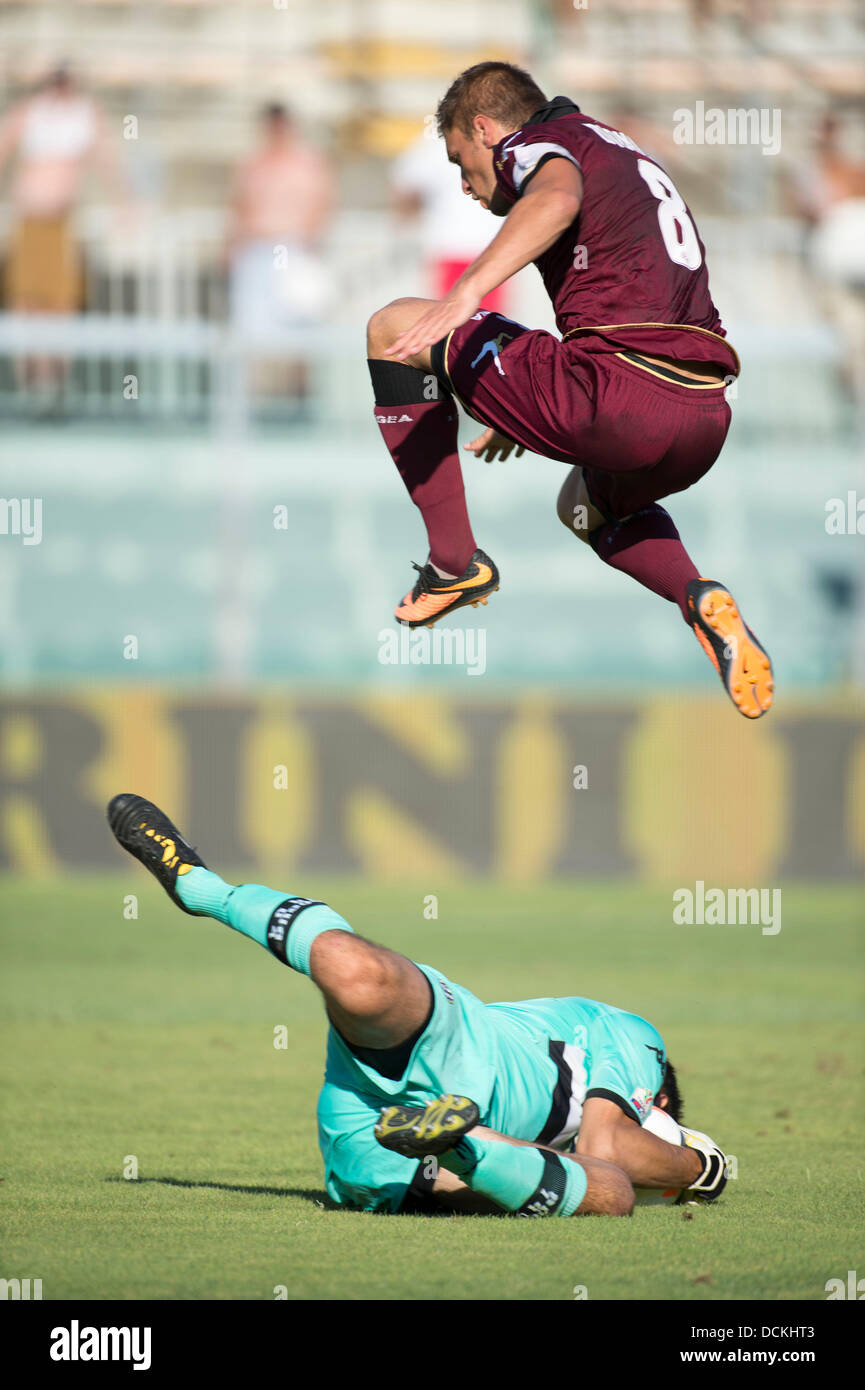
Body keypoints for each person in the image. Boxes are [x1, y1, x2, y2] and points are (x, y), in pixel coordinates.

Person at [367, 62, 774, 719]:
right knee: (584, 508)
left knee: (391, 326)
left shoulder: (532, 146)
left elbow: (553, 201)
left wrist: (463, 294)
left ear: (485, 128)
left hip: (615, 397)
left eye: (458, 160)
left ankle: (453, 562)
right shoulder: (619, 148)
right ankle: (697, 595)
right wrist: (522, 405)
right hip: (700, 418)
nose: (465, 182)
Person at [107, 792, 729, 1218]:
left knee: (611, 1198)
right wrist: (701, 1168)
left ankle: (460, 1143)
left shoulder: (579, 1142)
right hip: (457, 1052)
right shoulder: (635, 1038)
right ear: (661, 1101)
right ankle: (206, 891)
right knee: (359, 977)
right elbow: (613, 1144)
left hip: (376, 1148)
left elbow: (611, 1166)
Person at [0, 64, 124, 400]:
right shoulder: (29, 113)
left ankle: (55, 382)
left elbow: (107, 161)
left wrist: (123, 202)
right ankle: (29, 383)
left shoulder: (86, 116)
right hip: (29, 220)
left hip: (62, 223)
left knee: (59, 305)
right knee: (27, 302)